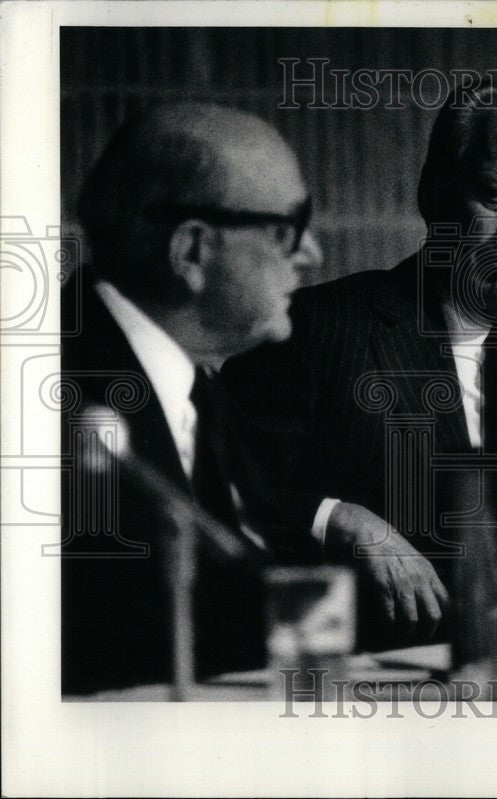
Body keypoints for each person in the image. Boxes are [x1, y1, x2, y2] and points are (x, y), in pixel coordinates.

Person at [222, 86, 497, 650]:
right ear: (434, 194)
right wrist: (341, 519)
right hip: (414, 676)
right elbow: (221, 489)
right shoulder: (316, 332)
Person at [61, 102, 323, 694]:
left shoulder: (197, 386)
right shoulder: (54, 400)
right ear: (193, 252)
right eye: (288, 228)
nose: (312, 253)